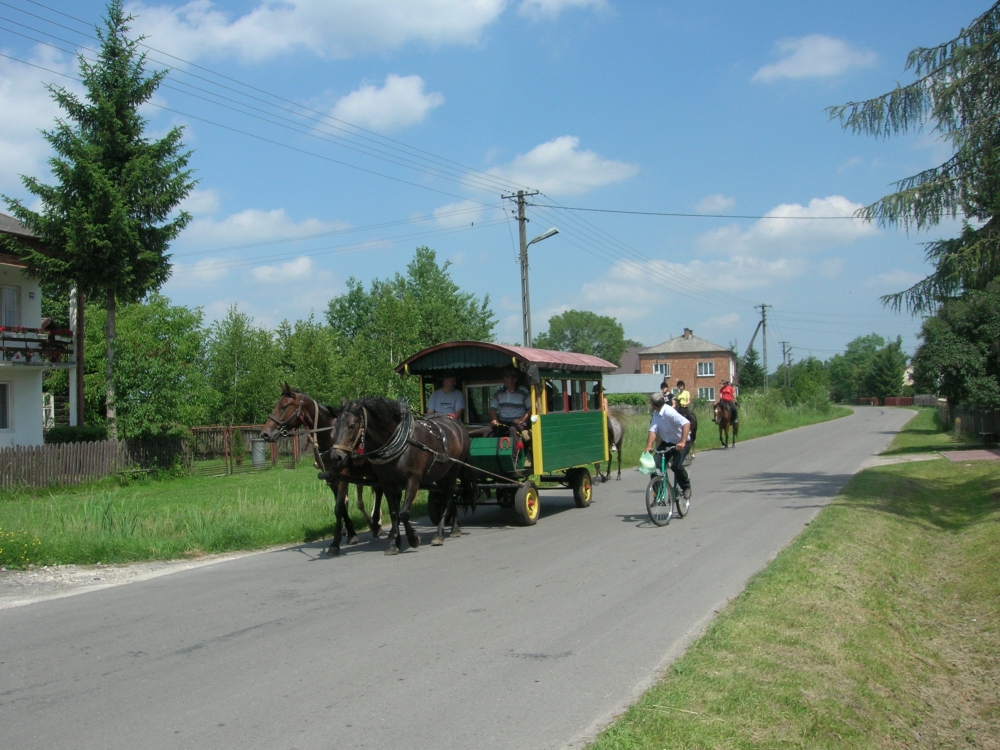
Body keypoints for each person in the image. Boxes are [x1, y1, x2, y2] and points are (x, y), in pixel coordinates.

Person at [643, 392, 692, 499]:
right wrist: (649, 446)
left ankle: (686, 487)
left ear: (653, 405)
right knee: (654, 465)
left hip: (681, 443)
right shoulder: (656, 413)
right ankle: (659, 493)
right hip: (667, 443)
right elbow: (653, 430)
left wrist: (682, 441)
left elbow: (686, 423)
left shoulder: (669, 412)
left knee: (676, 466)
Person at [490, 369, 531, 434]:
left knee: (512, 429)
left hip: (517, 422)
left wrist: (521, 419)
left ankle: (515, 441)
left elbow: (531, 408)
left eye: (507, 377)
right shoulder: (499, 392)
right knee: (488, 430)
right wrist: (494, 419)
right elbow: (493, 408)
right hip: (502, 422)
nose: (505, 380)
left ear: (514, 380)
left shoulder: (523, 391)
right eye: (504, 378)